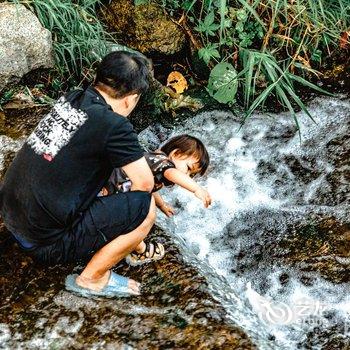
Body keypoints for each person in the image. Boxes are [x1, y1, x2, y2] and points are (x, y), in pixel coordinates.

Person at [0, 51, 162, 298]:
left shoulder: (72, 98)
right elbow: (144, 183)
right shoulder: (114, 126)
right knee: (145, 206)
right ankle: (91, 278)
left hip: (12, 216)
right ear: (131, 99)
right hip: (45, 243)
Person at [99, 134, 212, 265]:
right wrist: (196, 189)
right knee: (140, 217)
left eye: (191, 175)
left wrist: (162, 205)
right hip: (111, 195)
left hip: (109, 194)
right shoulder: (162, 161)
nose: (187, 176)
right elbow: (172, 173)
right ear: (176, 153)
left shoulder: (153, 162)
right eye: (188, 169)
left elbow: (151, 190)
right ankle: (140, 250)